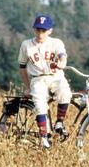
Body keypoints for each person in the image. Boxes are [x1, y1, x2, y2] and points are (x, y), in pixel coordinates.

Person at [18, 15, 72, 148]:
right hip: (38, 79)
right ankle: (43, 138)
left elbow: (62, 55)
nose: (40, 33)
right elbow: (22, 67)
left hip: (55, 76)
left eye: (43, 30)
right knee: (40, 104)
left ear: (50, 31)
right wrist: (27, 87)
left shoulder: (56, 42)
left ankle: (59, 122)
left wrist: (62, 63)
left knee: (65, 92)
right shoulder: (26, 45)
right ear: (34, 30)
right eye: (38, 30)